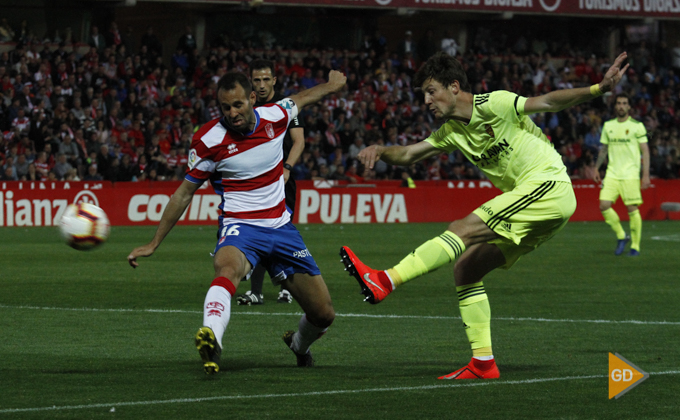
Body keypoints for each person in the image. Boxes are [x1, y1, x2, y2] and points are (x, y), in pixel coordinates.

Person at [340, 51, 629, 381]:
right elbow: (408, 153)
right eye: (423, 94)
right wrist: (380, 150)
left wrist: (598, 89)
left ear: (454, 86)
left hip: (548, 185)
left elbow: (547, 102)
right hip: (538, 203)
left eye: (431, 91)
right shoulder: (452, 131)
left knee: (461, 229)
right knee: (466, 268)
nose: (426, 100)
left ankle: (385, 280)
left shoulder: (495, 103)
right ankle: (483, 363)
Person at [128, 69, 346, 375]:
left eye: (238, 105)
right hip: (240, 228)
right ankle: (211, 337)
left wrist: (333, 85)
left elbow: (302, 98)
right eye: (225, 107)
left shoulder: (275, 114)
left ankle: (299, 345)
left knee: (323, 314)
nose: (232, 113)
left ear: (252, 99)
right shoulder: (209, 140)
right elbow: (183, 194)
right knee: (227, 269)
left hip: (281, 228)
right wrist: (153, 243)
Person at [235, 59, 306, 306]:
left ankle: (285, 287)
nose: (262, 85)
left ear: (274, 80)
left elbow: (299, 141)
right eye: (257, 80)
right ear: (250, 81)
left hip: (283, 183)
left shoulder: (286, 106)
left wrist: (287, 168)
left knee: (275, 235)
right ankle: (260, 291)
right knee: (259, 234)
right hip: (258, 182)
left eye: (266, 79)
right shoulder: (247, 107)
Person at [593, 93, 650, 256]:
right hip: (612, 173)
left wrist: (645, 175)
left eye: (624, 103)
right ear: (615, 106)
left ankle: (635, 246)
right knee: (603, 205)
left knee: (632, 209)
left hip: (631, 174)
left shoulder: (637, 126)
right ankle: (621, 235)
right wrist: (597, 167)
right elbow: (603, 149)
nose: (621, 106)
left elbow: (645, 151)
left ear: (629, 107)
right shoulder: (608, 125)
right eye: (619, 103)